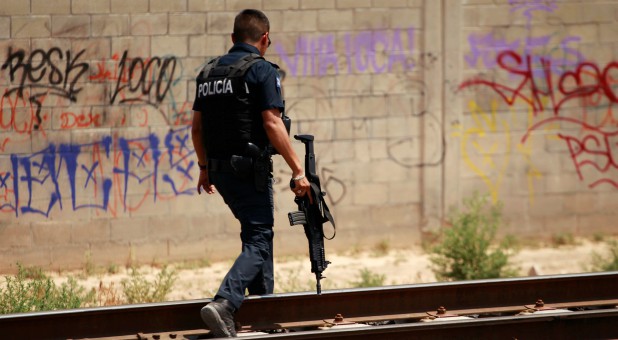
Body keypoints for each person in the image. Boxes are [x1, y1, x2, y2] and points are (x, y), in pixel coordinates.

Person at [191, 9, 311, 338]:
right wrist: (298, 171)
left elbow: (197, 128)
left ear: (232, 39)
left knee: (256, 234)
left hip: (218, 171)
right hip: (248, 169)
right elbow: (272, 123)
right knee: (260, 238)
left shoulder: (208, 73)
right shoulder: (260, 70)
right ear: (265, 39)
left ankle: (263, 309)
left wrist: (204, 168)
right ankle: (225, 303)